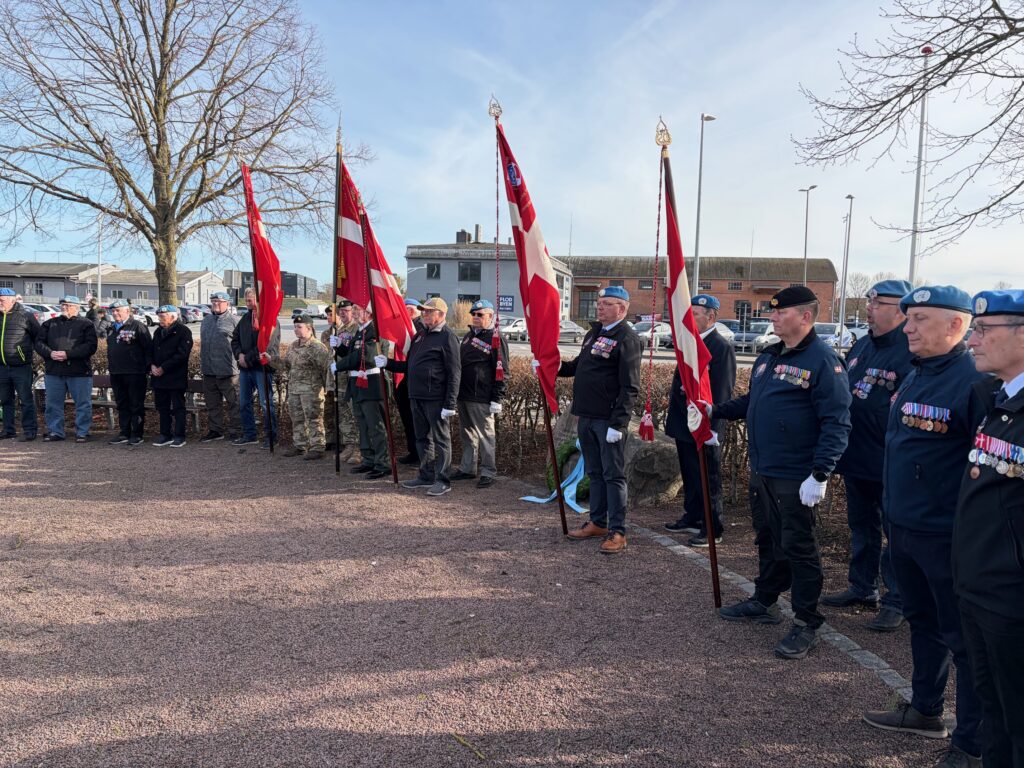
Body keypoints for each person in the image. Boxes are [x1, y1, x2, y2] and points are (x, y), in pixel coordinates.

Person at [861, 286, 987, 768]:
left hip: (946, 537)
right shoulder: (916, 374)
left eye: (921, 320)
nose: (908, 327)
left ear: (957, 325)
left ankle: (971, 742)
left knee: (964, 642)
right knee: (924, 625)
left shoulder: (973, 382)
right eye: (908, 318)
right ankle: (925, 710)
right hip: (905, 529)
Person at [712, 286, 851, 659]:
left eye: (780, 312)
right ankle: (765, 601)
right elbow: (753, 402)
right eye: (772, 312)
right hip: (765, 470)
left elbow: (837, 422)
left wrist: (820, 474)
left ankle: (807, 622)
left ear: (805, 317)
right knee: (769, 539)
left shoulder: (823, 361)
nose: (771, 317)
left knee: (799, 547)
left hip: (797, 476)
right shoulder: (769, 357)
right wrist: (714, 409)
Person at [954, 289, 1024, 768]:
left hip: (1012, 599)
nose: (972, 340)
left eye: (984, 330)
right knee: (994, 711)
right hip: (981, 589)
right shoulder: (1000, 402)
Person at [823, 279, 914, 631]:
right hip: (858, 456)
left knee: (896, 532)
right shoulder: (862, 345)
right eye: (870, 302)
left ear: (900, 311)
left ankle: (897, 598)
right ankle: (863, 587)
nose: (869, 309)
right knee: (862, 525)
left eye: (878, 304)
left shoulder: (911, 350)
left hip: (891, 461)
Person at [555, 286, 642, 554]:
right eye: (600, 303)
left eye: (606, 304)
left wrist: (619, 424)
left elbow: (630, 387)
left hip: (608, 420)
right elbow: (578, 366)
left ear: (622, 308)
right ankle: (598, 521)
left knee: (613, 475)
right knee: (594, 473)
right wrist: (553, 365)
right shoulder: (594, 333)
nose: (599, 307)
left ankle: (618, 531)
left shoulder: (626, 338)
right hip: (587, 416)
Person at [663, 294, 737, 546]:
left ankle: (712, 527)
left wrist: (714, 428)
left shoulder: (720, 347)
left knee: (708, 478)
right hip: (685, 422)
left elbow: (722, 391)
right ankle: (693, 516)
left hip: (706, 426)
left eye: (694, 314)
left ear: (711, 316)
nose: (690, 318)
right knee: (691, 474)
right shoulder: (689, 342)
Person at [376, 297, 461, 497]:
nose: (424, 315)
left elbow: (454, 372)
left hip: (436, 398)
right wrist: (387, 363)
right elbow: (409, 366)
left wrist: (450, 402)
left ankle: (443, 480)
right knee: (422, 438)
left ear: (441, 314)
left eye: (429, 312)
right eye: (423, 312)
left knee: (441, 439)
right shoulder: (420, 335)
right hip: (417, 395)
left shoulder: (448, 337)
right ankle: (425, 475)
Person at [451, 299, 509, 489]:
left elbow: (502, 370)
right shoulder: (468, 336)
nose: (475, 317)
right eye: (473, 314)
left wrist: (497, 397)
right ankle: (467, 468)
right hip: (464, 394)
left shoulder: (496, 337)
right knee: (467, 434)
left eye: (480, 314)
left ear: (490, 316)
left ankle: (488, 471)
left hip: (482, 396)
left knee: (485, 436)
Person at [334, 304, 391, 479]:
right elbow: (353, 353)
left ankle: (382, 463)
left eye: (359, 310)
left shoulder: (375, 330)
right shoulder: (361, 331)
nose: (357, 313)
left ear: (369, 312)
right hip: (358, 384)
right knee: (363, 425)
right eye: (356, 310)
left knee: (376, 426)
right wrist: (340, 347)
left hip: (372, 385)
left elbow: (365, 356)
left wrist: (339, 365)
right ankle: (368, 459)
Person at [35, 295, 98, 443]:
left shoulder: (86, 324)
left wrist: (68, 355)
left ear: (76, 308)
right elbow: (38, 343)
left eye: (68, 305)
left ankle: (82, 432)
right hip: (54, 370)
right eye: (63, 304)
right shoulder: (49, 324)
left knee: (82, 403)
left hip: (79, 371)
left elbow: (90, 346)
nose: (64, 307)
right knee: (53, 404)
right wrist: (49, 353)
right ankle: (55, 431)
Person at [231, 288, 280, 449]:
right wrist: (239, 355)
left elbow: (266, 345)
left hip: (262, 367)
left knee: (266, 403)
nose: (248, 304)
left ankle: (271, 436)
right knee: (244, 402)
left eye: (251, 300)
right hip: (245, 368)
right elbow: (235, 339)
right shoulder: (245, 319)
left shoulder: (270, 319)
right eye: (246, 301)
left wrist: (247, 358)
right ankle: (250, 434)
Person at [281, 314, 330, 459]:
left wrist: (326, 389)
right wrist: (271, 360)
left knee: (314, 418)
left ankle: (317, 447)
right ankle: (300, 445)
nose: (296, 329)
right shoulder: (293, 346)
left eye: (299, 327)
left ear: (309, 328)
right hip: (295, 389)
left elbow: (325, 369)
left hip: (311, 390)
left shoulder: (317, 347)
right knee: (297, 418)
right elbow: (286, 365)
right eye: (295, 327)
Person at [105, 298, 152, 445]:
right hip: (116, 372)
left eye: (118, 310)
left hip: (135, 373)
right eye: (113, 311)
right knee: (122, 404)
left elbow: (148, 349)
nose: (115, 313)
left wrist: (145, 368)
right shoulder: (112, 328)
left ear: (127, 311)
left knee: (135, 404)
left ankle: (137, 433)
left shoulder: (138, 326)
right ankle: (124, 432)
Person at [150, 305, 194, 447]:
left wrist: (164, 367)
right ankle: (165, 434)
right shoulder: (158, 332)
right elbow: (152, 351)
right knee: (162, 407)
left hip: (175, 376)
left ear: (173, 317)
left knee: (178, 407)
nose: (160, 319)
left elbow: (182, 354)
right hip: (159, 377)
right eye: (159, 316)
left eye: (163, 316)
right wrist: (152, 365)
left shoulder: (183, 331)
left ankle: (179, 435)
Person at [0, 287, 40, 441]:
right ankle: (8, 429)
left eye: (1, 300)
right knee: (5, 400)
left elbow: (38, 338)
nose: (0, 303)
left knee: (25, 399)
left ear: (12, 300)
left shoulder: (25, 316)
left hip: (21, 366)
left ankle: (30, 430)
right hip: (2, 366)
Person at [199, 291, 240, 442]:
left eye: (219, 302)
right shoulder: (206, 321)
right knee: (212, 404)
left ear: (227, 304)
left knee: (234, 403)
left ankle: (236, 430)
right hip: (209, 370)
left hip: (228, 370)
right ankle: (215, 430)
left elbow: (239, 344)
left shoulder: (235, 321)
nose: (215, 304)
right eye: (213, 301)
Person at [324, 300, 360, 463]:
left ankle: (359, 448)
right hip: (339, 378)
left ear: (353, 311)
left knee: (355, 414)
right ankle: (349, 445)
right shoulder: (337, 330)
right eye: (341, 311)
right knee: (344, 415)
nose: (343, 313)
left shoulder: (358, 329)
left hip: (352, 378)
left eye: (346, 310)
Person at [394, 298, 425, 465]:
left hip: (414, 382)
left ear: (411, 312)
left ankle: (421, 455)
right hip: (403, 382)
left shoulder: (418, 329)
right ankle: (413, 452)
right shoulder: (404, 328)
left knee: (417, 422)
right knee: (407, 420)